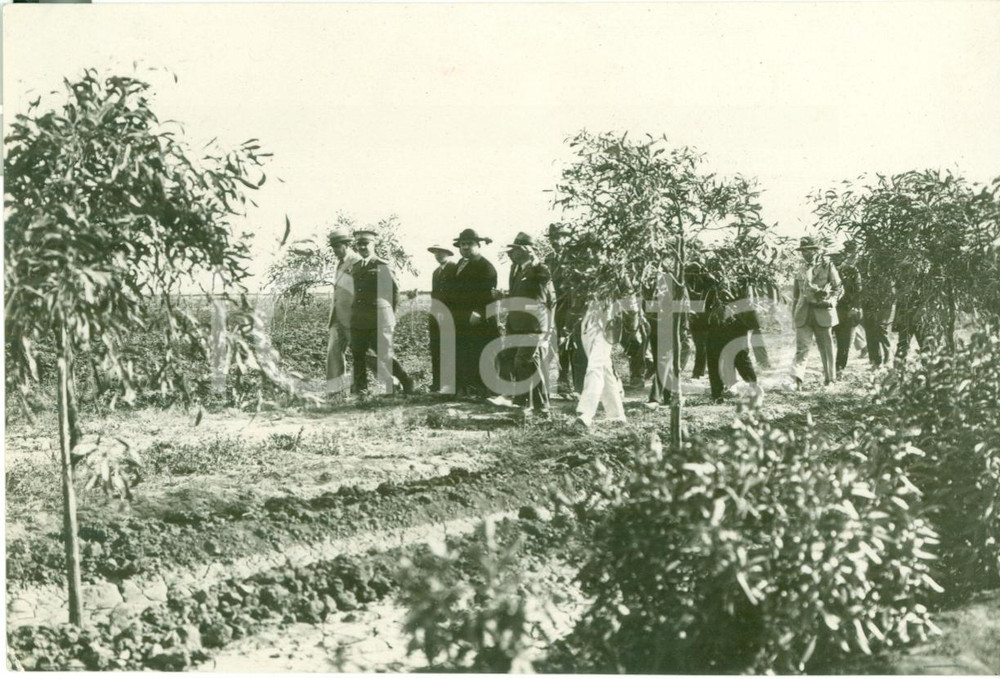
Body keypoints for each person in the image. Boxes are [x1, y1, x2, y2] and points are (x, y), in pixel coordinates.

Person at [348, 229, 414, 396]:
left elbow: (394, 292)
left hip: (379, 318)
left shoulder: (382, 265)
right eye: (359, 244)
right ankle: (361, 390)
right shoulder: (355, 267)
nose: (362, 247)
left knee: (385, 354)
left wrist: (389, 314)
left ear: (373, 244)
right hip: (358, 319)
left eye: (366, 244)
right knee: (358, 354)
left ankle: (406, 381)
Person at [495, 232, 552, 417]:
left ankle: (542, 408)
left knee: (526, 363)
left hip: (533, 325)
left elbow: (546, 293)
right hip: (517, 324)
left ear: (526, 250)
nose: (511, 254)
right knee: (510, 359)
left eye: (515, 250)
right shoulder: (517, 270)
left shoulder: (539, 269)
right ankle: (522, 402)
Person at [450, 228, 500, 397]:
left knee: (479, 352)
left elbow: (487, 295)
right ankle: (466, 388)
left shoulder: (486, 267)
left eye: (469, 244)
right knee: (464, 352)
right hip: (461, 317)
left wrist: (478, 313)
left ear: (478, 245)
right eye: (462, 244)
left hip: (478, 319)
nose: (465, 247)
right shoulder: (460, 264)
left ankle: (485, 390)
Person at [791, 235, 842, 388]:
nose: (805, 253)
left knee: (826, 348)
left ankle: (830, 380)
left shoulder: (827, 266)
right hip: (803, 313)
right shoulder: (799, 268)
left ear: (816, 250)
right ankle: (797, 381)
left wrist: (831, 301)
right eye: (803, 250)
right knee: (801, 349)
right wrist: (793, 314)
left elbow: (838, 288)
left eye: (809, 250)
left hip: (823, 312)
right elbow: (796, 294)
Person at [546, 224, 587, 399]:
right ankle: (564, 383)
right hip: (558, 307)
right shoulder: (549, 259)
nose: (556, 241)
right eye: (553, 237)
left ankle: (580, 387)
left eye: (560, 237)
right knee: (560, 344)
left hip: (574, 306)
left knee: (577, 346)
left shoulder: (577, 259)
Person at [575, 298, 628, 429]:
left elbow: (630, 297)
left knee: (595, 368)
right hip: (588, 324)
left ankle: (587, 413)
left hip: (607, 326)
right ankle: (616, 414)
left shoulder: (619, 279)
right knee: (605, 369)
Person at [326, 228, 361, 385]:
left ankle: (394, 380)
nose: (334, 251)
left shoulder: (357, 261)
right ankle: (335, 389)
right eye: (332, 247)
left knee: (366, 353)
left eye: (337, 247)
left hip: (352, 316)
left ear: (346, 245)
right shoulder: (340, 263)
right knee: (333, 351)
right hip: (337, 316)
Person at [427, 244, 457, 393]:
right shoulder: (436, 272)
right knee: (436, 349)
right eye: (435, 253)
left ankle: (449, 385)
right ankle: (436, 383)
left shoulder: (455, 269)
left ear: (448, 253)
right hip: (436, 316)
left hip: (449, 316)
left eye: (441, 252)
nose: (438, 255)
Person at [832, 240, 864, 375]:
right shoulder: (828, 270)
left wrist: (855, 307)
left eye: (837, 256)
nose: (834, 259)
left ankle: (839, 367)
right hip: (833, 309)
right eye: (832, 257)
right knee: (835, 338)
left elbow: (858, 291)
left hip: (847, 308)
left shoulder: (852, 271)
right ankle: (833, 366)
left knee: (844, 340)